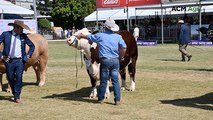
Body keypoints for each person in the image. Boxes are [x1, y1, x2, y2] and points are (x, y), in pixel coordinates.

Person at [77, 18, 127, 105]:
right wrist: (122, 56)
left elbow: (89, 37)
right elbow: (124, 47)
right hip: (115, 60)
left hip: (105, 60)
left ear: (106, 27)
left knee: (103, 80)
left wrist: (81, 36)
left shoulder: (100, 36)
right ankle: (117, 99)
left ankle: (101, 99)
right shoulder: (118, 37)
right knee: (115, 80)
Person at [0, 20, 35, 103]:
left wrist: (28, 55)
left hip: (20, 61)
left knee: (19, 78)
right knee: (10, 78)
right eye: (21, 29)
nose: (22, 31)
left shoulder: (23, 36)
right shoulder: (6, 34)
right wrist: (1, 56)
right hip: (9, 60)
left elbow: (32, 46)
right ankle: (14, 92)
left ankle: (17, 96)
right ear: (16, 27)